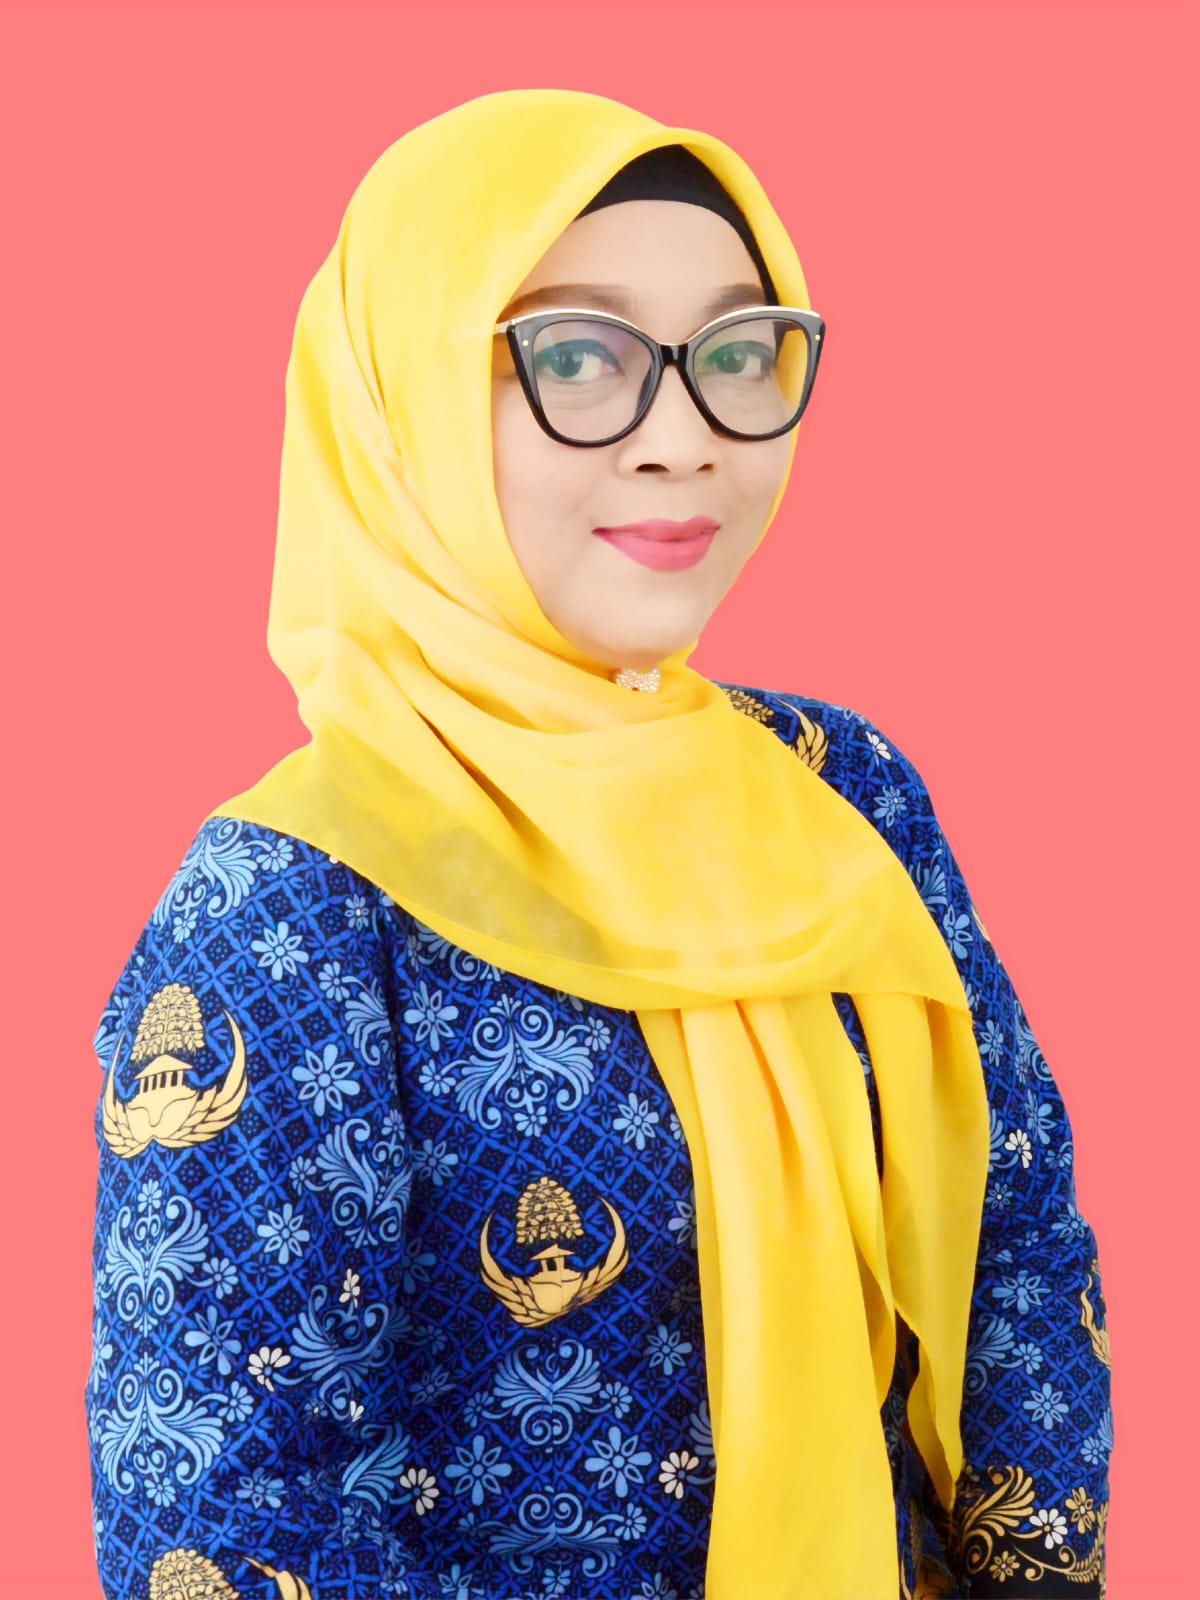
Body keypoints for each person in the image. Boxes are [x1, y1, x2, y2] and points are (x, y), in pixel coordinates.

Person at [86, 89, 1112, 1600]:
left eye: (737, 354)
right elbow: (224, 1503)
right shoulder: (297, 900)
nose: (684, 442)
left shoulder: (841, 790)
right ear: (404, 405)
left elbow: (1013, 1242)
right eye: (576, 357)